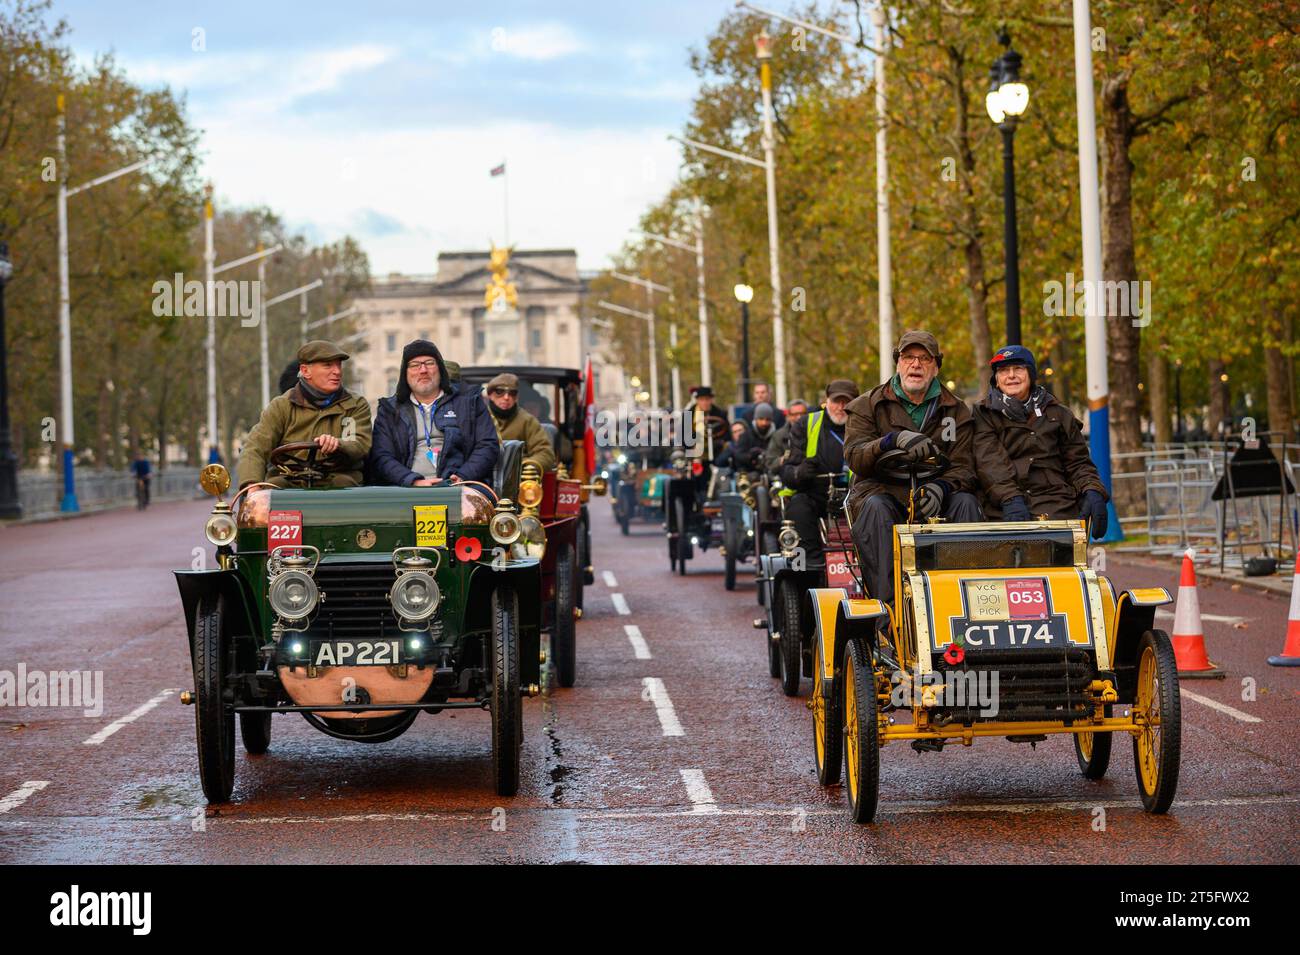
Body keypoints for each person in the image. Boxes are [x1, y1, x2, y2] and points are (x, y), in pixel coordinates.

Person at [845, 330, 983, 602]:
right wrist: (889, 441)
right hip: (882, 493)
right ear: (898, 362)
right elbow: (855, 457)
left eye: (924, 358)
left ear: (936, 366)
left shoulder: (957, 412)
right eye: (908, 357)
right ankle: (888, 609)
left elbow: (965, 467)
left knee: (966, 502)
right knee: (875, 508)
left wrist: (942, 487)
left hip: (935, 499)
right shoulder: (866, 405)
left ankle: (966, 600)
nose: (916, 365)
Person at [972, 344, 1109, 536]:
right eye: (1003, 370)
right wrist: (1010, 497)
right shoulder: (983, 414)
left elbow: (1078, 462)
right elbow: (989, 462)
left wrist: (1092, 490)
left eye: (1018, 369)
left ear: (1031, 373)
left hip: (1056, 503)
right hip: (1003, 506)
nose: (1011, 376)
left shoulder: (1058, 413)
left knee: (1062, 557)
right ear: (996, 378)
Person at [236, 340, 373, 489]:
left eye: (338, 365)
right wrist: (252, 487)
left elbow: (359, 443)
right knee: (272, 489)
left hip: (338, 478)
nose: (337, 371)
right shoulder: (282, 406)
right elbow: (255, 447)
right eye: (328, 365)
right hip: (289, 480)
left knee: (344, 485)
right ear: (306, 371)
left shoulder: (355, 404)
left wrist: (338, 444)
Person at [368, 339, 499, 487]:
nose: (423, 370)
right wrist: (412, 480)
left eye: (429, 363)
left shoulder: (469, 401)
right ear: (405, 373)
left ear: (440, 369)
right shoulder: (389, 410)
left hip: (461, 486)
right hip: (405, 489)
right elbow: (382, 456)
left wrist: (463, 476)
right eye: (415, 365)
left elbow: (487, 445)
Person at [781, 381, 858, 570]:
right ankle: (810, 566)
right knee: (798, 506)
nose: (840, 407)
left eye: (845, 402)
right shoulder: (806, 424)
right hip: (816, 494)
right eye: (836, 401)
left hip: (856, 495)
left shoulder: (865, 424)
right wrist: (801, 472)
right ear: (827, 401)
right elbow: (787, 472)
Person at [484, 371, 557, 473]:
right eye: (499, 392)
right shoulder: (478, 418)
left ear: (516, 397)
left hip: (519, 479)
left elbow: (545, 453)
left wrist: (527, 466)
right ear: (490, 395)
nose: (506, 397)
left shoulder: (528, 421)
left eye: (512, 393)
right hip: (483, 476)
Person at [765, 398, 809, 475]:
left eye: (802, 414)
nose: (799, 417)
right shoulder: (778, 436)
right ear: (788, 416)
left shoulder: (816, 432)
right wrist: (784, 459)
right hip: (787, 479)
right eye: (795, 414)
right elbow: (770, 463)